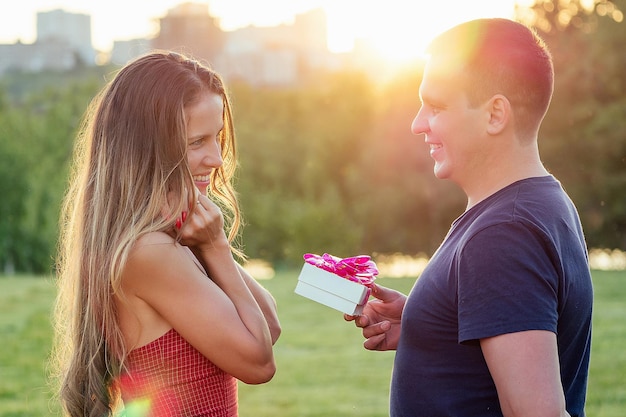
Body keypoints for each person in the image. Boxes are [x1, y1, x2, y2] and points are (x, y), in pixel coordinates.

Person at [345, 18, 593, 417]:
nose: (418, 123)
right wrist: (430, 325)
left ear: (496, 114)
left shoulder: (503, 233)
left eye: (436, 106)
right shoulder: (543, 202)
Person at [52, 51, 281, 417]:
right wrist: (217, 247)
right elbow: (259, 363)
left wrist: (207, 247)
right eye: (196, 142)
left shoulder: (167, 238)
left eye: (217, 137)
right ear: (147, 149)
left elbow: (269, 325)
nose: (217, 158)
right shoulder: (149, 251)